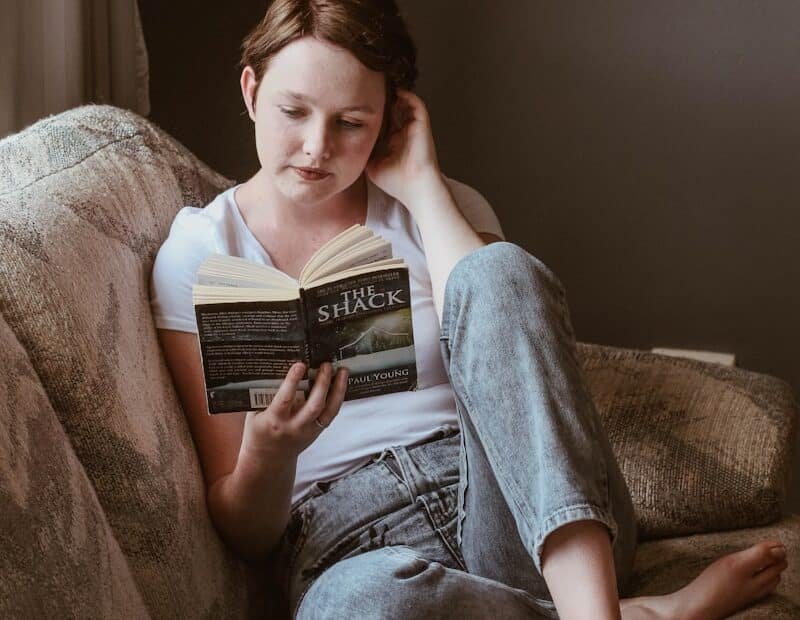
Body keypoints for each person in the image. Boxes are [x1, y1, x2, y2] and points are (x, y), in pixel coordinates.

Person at [150, 1, 788, 618]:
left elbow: (502, 323)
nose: (317, 147)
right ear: (251, 90)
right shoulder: (200, 255)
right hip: (351, 544)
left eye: (351, 122)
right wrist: (269, 452)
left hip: (516, 507)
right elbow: (246, 536)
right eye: (294, 111)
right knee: (357, 606)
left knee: (498, 267)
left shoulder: (443, 208)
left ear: (391, 116)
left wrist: (424, 187)